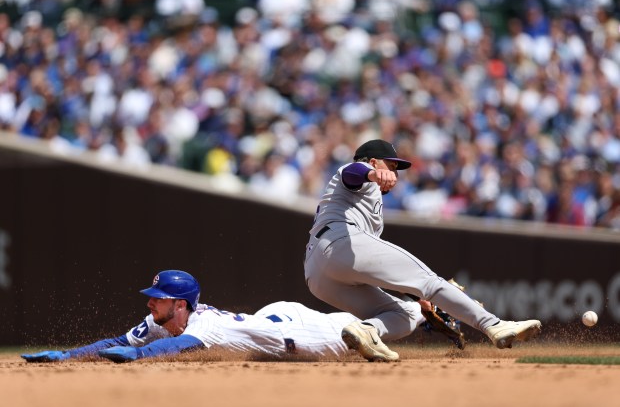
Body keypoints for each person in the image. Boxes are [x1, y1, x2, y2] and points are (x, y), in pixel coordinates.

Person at [303, 139, 542, 362]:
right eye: (391, 165)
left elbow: (379, 269)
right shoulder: (360, 173)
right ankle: (495, 325)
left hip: (318, 277)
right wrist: (373, 172)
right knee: (431, 282)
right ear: (373, 161)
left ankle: (367, 330)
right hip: (340, 242)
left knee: (407, 314)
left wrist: (419, 299)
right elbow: (351, 173)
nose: (395, 173)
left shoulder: (367, 201)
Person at [21, 270, 369, 363]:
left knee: (363, 329)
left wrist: (137, 356)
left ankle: (420, 308)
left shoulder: (205, 325)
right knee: (272, 315)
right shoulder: (162, 321)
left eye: (159, 299)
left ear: (181, 305)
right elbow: (117, 342)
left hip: (310, 339)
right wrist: (67, 356)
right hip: (274, 318)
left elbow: (178, 347)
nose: (150, 304)